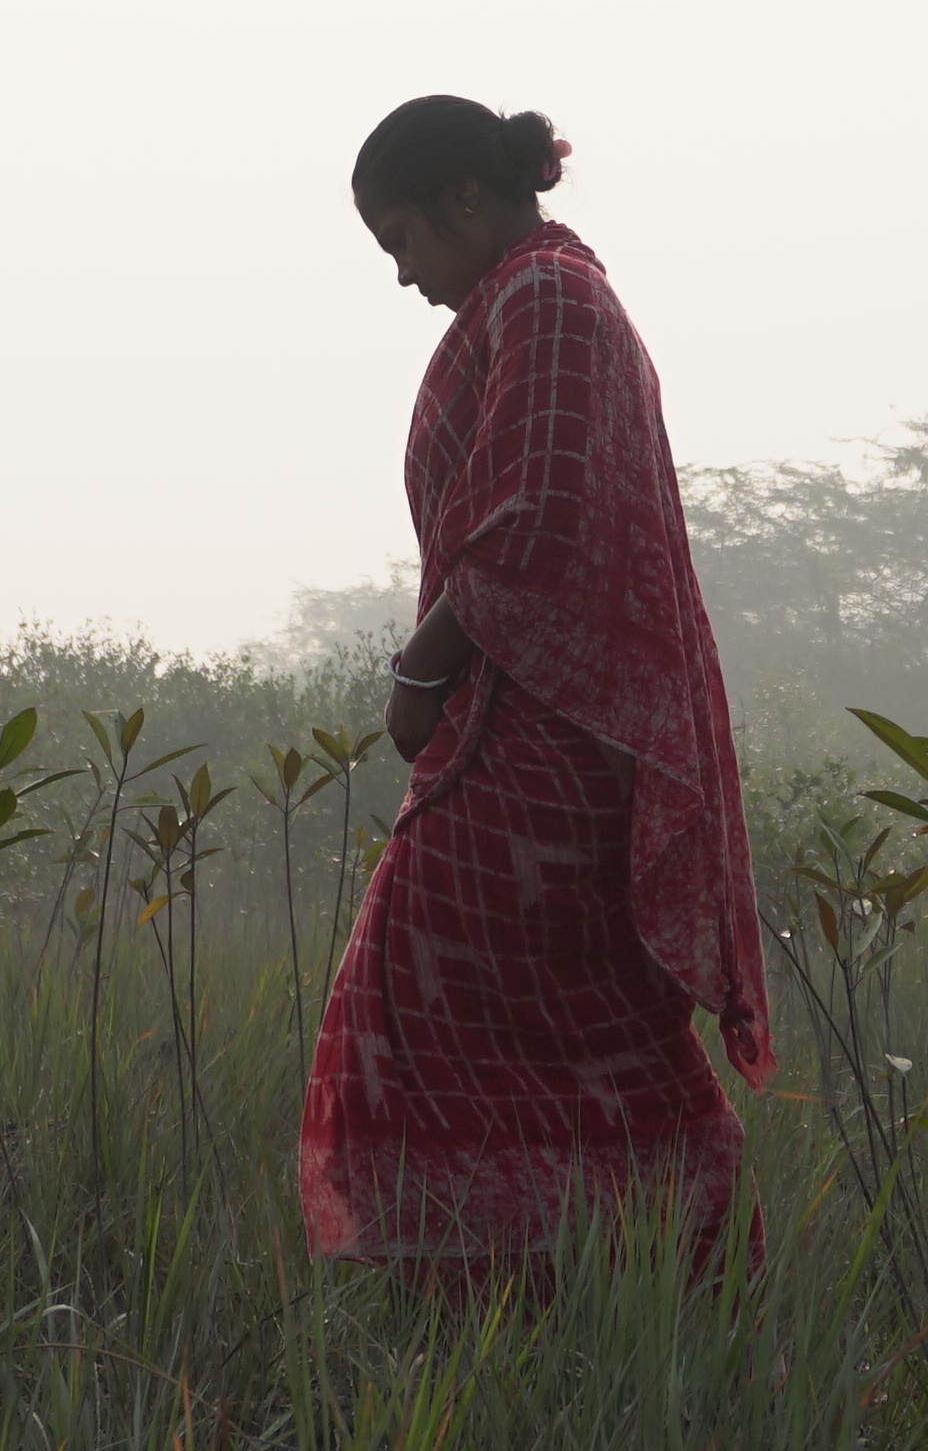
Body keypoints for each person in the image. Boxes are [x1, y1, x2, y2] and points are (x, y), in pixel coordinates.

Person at [300, 97, 772, 1278]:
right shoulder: (539, 295)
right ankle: (572, 1287)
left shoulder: (549, 298)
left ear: (468, 199)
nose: (405, 277)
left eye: (405, 239)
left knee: (432, 1004)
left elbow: (535, 514)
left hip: (546, 743)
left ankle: (577, 1276)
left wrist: (420, 672)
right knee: (529, 1023)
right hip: (536, 730)